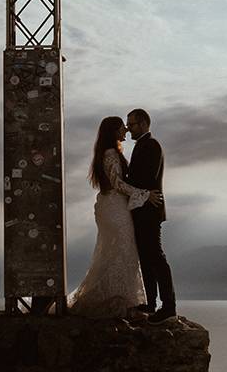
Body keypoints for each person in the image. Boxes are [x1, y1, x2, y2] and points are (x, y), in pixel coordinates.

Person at [66, 116, 158, 317]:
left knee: (113, 251)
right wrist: (144, 194)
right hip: (115, 208)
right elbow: (117, 183)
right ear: (114, 131)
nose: (126, 130)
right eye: (122, 128)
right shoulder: (110, 154)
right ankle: (114, 299)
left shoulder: (107, 153)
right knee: (123, 249)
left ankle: (119, 297)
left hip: (110, 206)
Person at [126, 108, 177, 322]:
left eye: (132, 125)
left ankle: (169, 306)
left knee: (155, 256)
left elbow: (146, 177)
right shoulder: (141, 146)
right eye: (128, 125)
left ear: (144, 123)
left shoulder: (151, 145)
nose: (129, 129)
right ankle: (152, 302)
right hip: (141, 207)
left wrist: (125, 181)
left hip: (150, 208)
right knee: (146, 258)